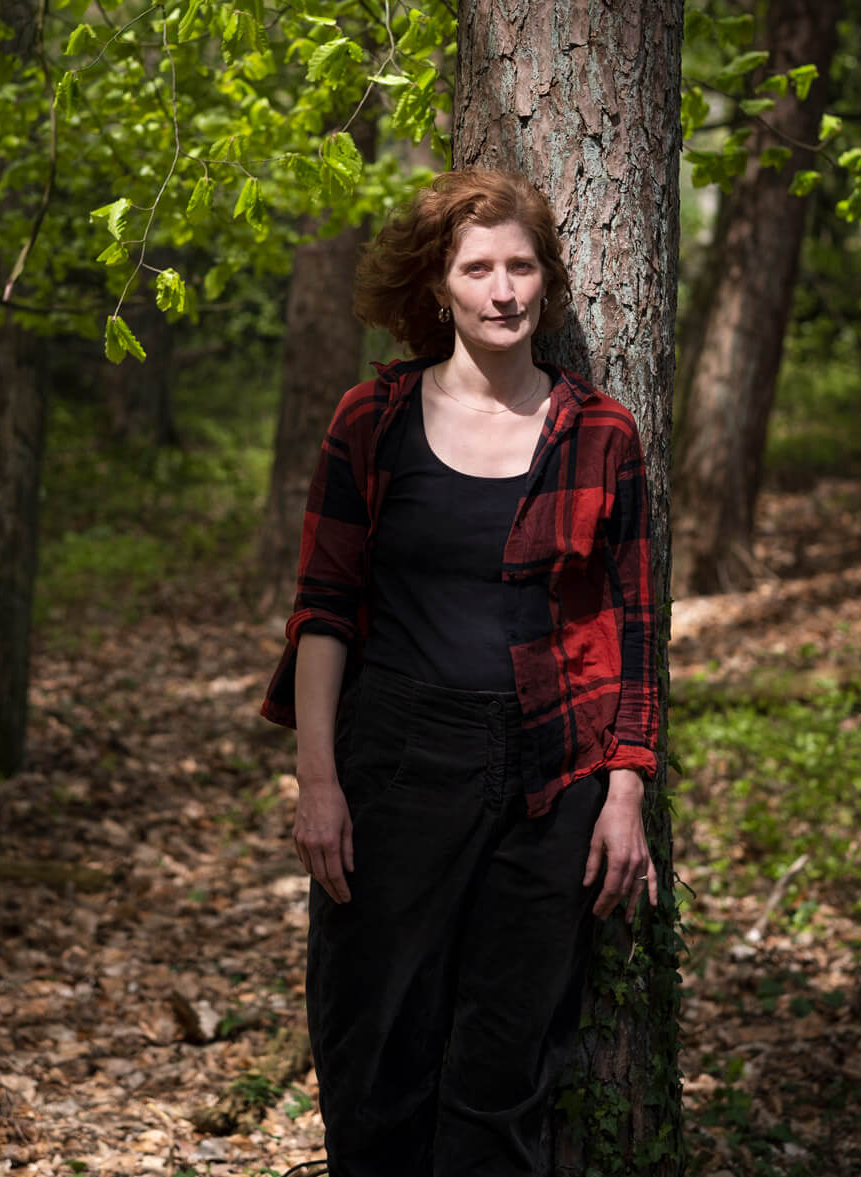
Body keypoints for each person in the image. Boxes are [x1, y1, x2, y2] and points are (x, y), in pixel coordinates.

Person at [261, 169, 659, 1177]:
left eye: (519, 264)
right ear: (438, 287)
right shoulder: (372, 417)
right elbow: (323, 608)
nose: (501, 288)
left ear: (546, 280)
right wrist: (318, 779)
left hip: (551, 774)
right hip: (394, 761)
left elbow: (632, 622)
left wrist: (623, 786)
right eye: (475, 266)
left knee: (505, 1073)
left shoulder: (599, 431)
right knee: (374, 1054)